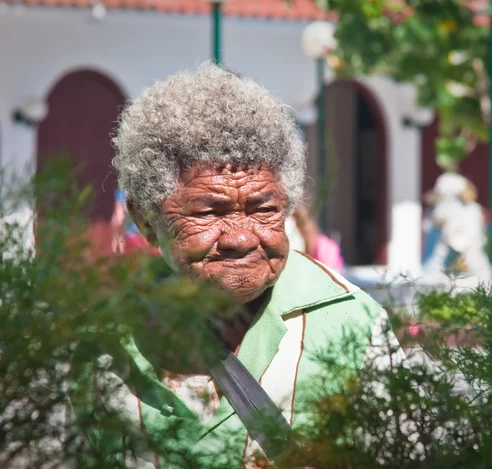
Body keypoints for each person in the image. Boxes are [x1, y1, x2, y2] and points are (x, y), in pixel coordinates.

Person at [74, 63, 404, 467]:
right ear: (146, 220)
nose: (241, 237)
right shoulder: (106, 334)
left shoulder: (350, 321)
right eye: (210, 212)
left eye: (263, 208)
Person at [110, 188, 160, 256]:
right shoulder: (150, 188)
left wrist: (117, 237)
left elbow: (119, 218)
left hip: (131, 237)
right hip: (149, 235)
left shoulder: (122, 193)